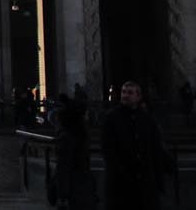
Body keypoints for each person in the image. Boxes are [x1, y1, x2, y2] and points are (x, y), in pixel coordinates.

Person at [100, 81, 168, 210]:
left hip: (144, 183)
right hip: (121, 184)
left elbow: (155, 148)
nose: (125, 95)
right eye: (123, 92)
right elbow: (108, 150)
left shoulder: (147, 119)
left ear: (138, 96)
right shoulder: (111, 118)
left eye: (130, 92)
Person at [52, 95, 96, 208]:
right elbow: (64, 167)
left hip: (79, 189)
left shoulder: (71, 135)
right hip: (77, 190)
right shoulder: (74, 137)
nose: (87, 116)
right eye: (85, 114)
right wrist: (63, 195)